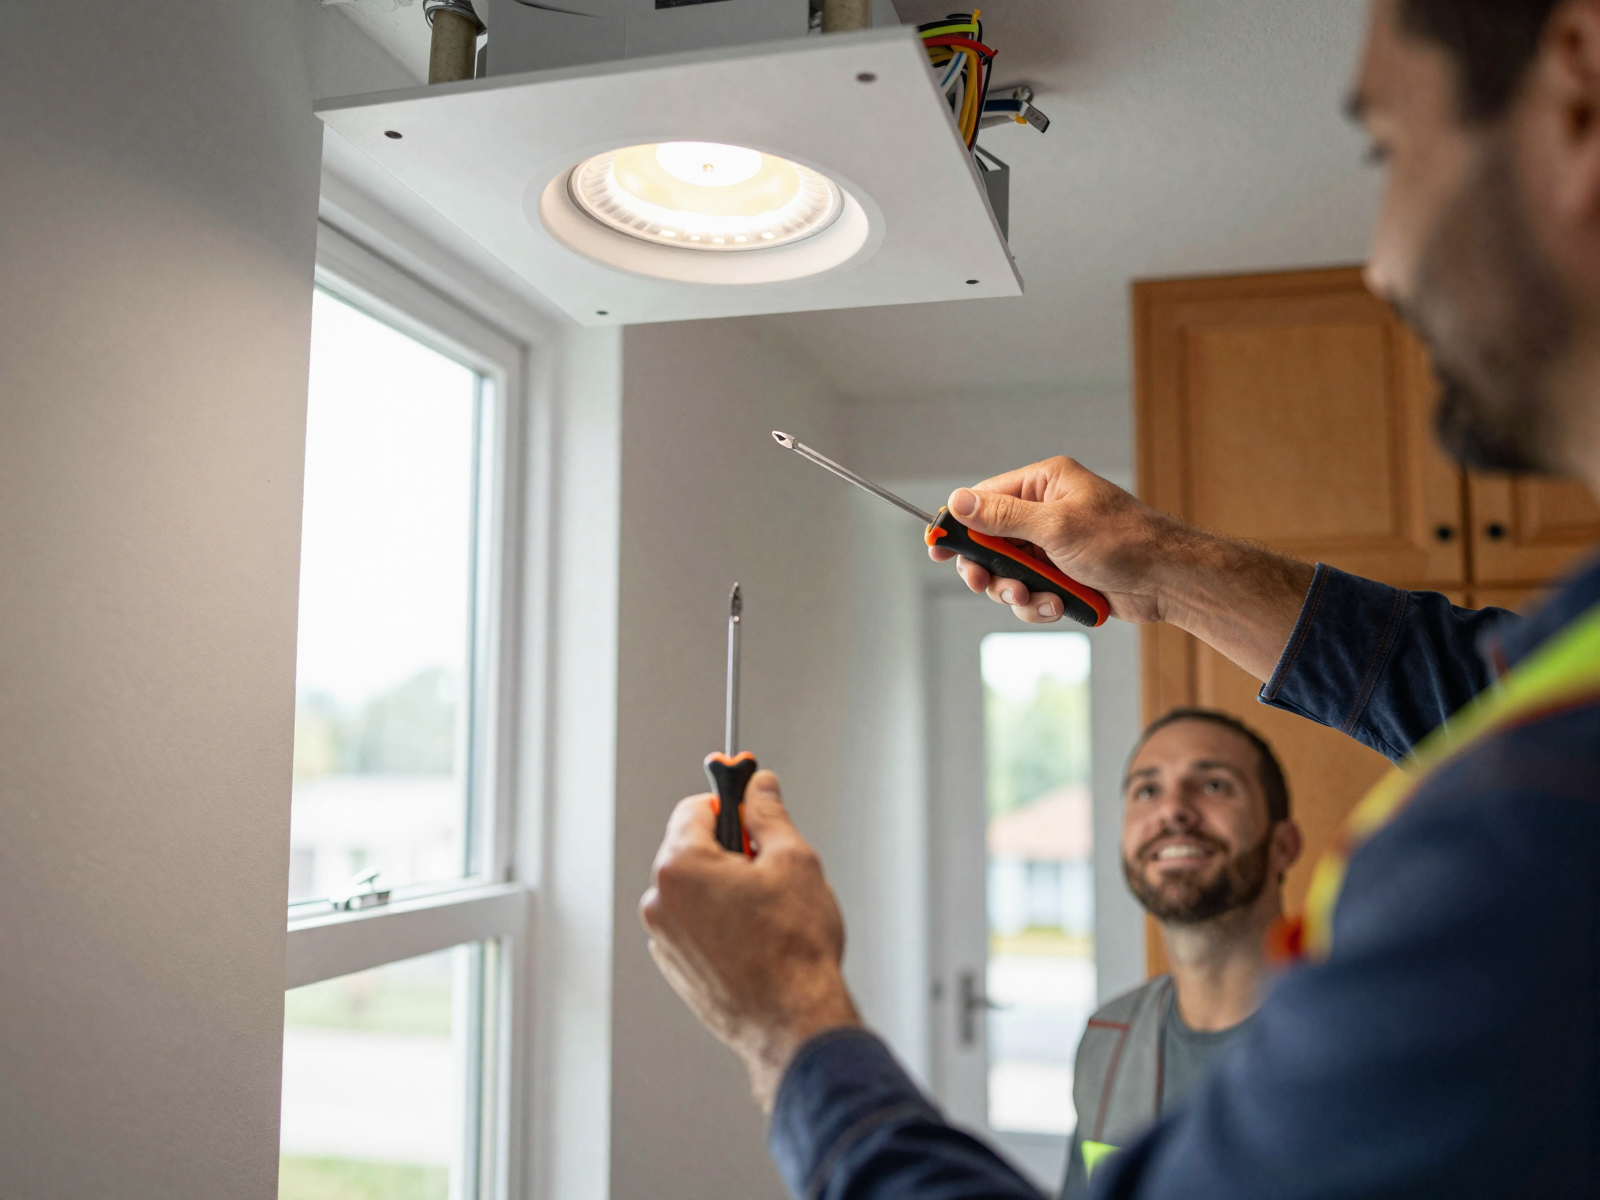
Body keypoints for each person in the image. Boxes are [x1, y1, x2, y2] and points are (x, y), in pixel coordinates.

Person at [639, 2, 1600, 1197]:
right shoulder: (1557, 721)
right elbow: (1458, 684)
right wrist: (1149, 559)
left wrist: (783, 1020)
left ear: (1578, 95)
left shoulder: (1523, 842)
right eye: (1146, 785)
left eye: (1390, 154)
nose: (1383, 262)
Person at [1062, 709, 1301, 1198]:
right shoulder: (1106, 1041)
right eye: (1147, 791)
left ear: (1282, 846)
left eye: (1214, 786)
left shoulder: (1363, 1032)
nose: (1172, 810)